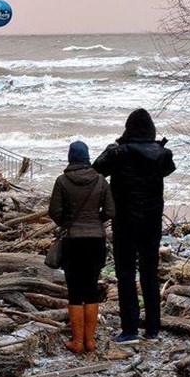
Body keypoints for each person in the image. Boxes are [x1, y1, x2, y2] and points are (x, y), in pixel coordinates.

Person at [93, 108, 175, 344]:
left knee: (126, 274)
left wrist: (116, 146)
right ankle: (152, 329)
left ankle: (130, 329)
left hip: (125, 220)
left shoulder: (119, 153)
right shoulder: (162, 154)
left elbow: (97, 167)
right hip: (151, 220)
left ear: (128, 129)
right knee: (150, 273)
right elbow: (167, 169)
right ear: (151, 130)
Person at [48, 141, 115, 353]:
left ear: (70, 158)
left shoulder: (62, 181)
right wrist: (97, 221)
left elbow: (54, 211)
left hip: (73, 241)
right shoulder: (100, 181)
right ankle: (90, 341)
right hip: (95, 241)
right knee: (92, 288)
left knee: (75, 290)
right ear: (87, 158)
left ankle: (77, 342)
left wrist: (67, 223)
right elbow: (111, 211)